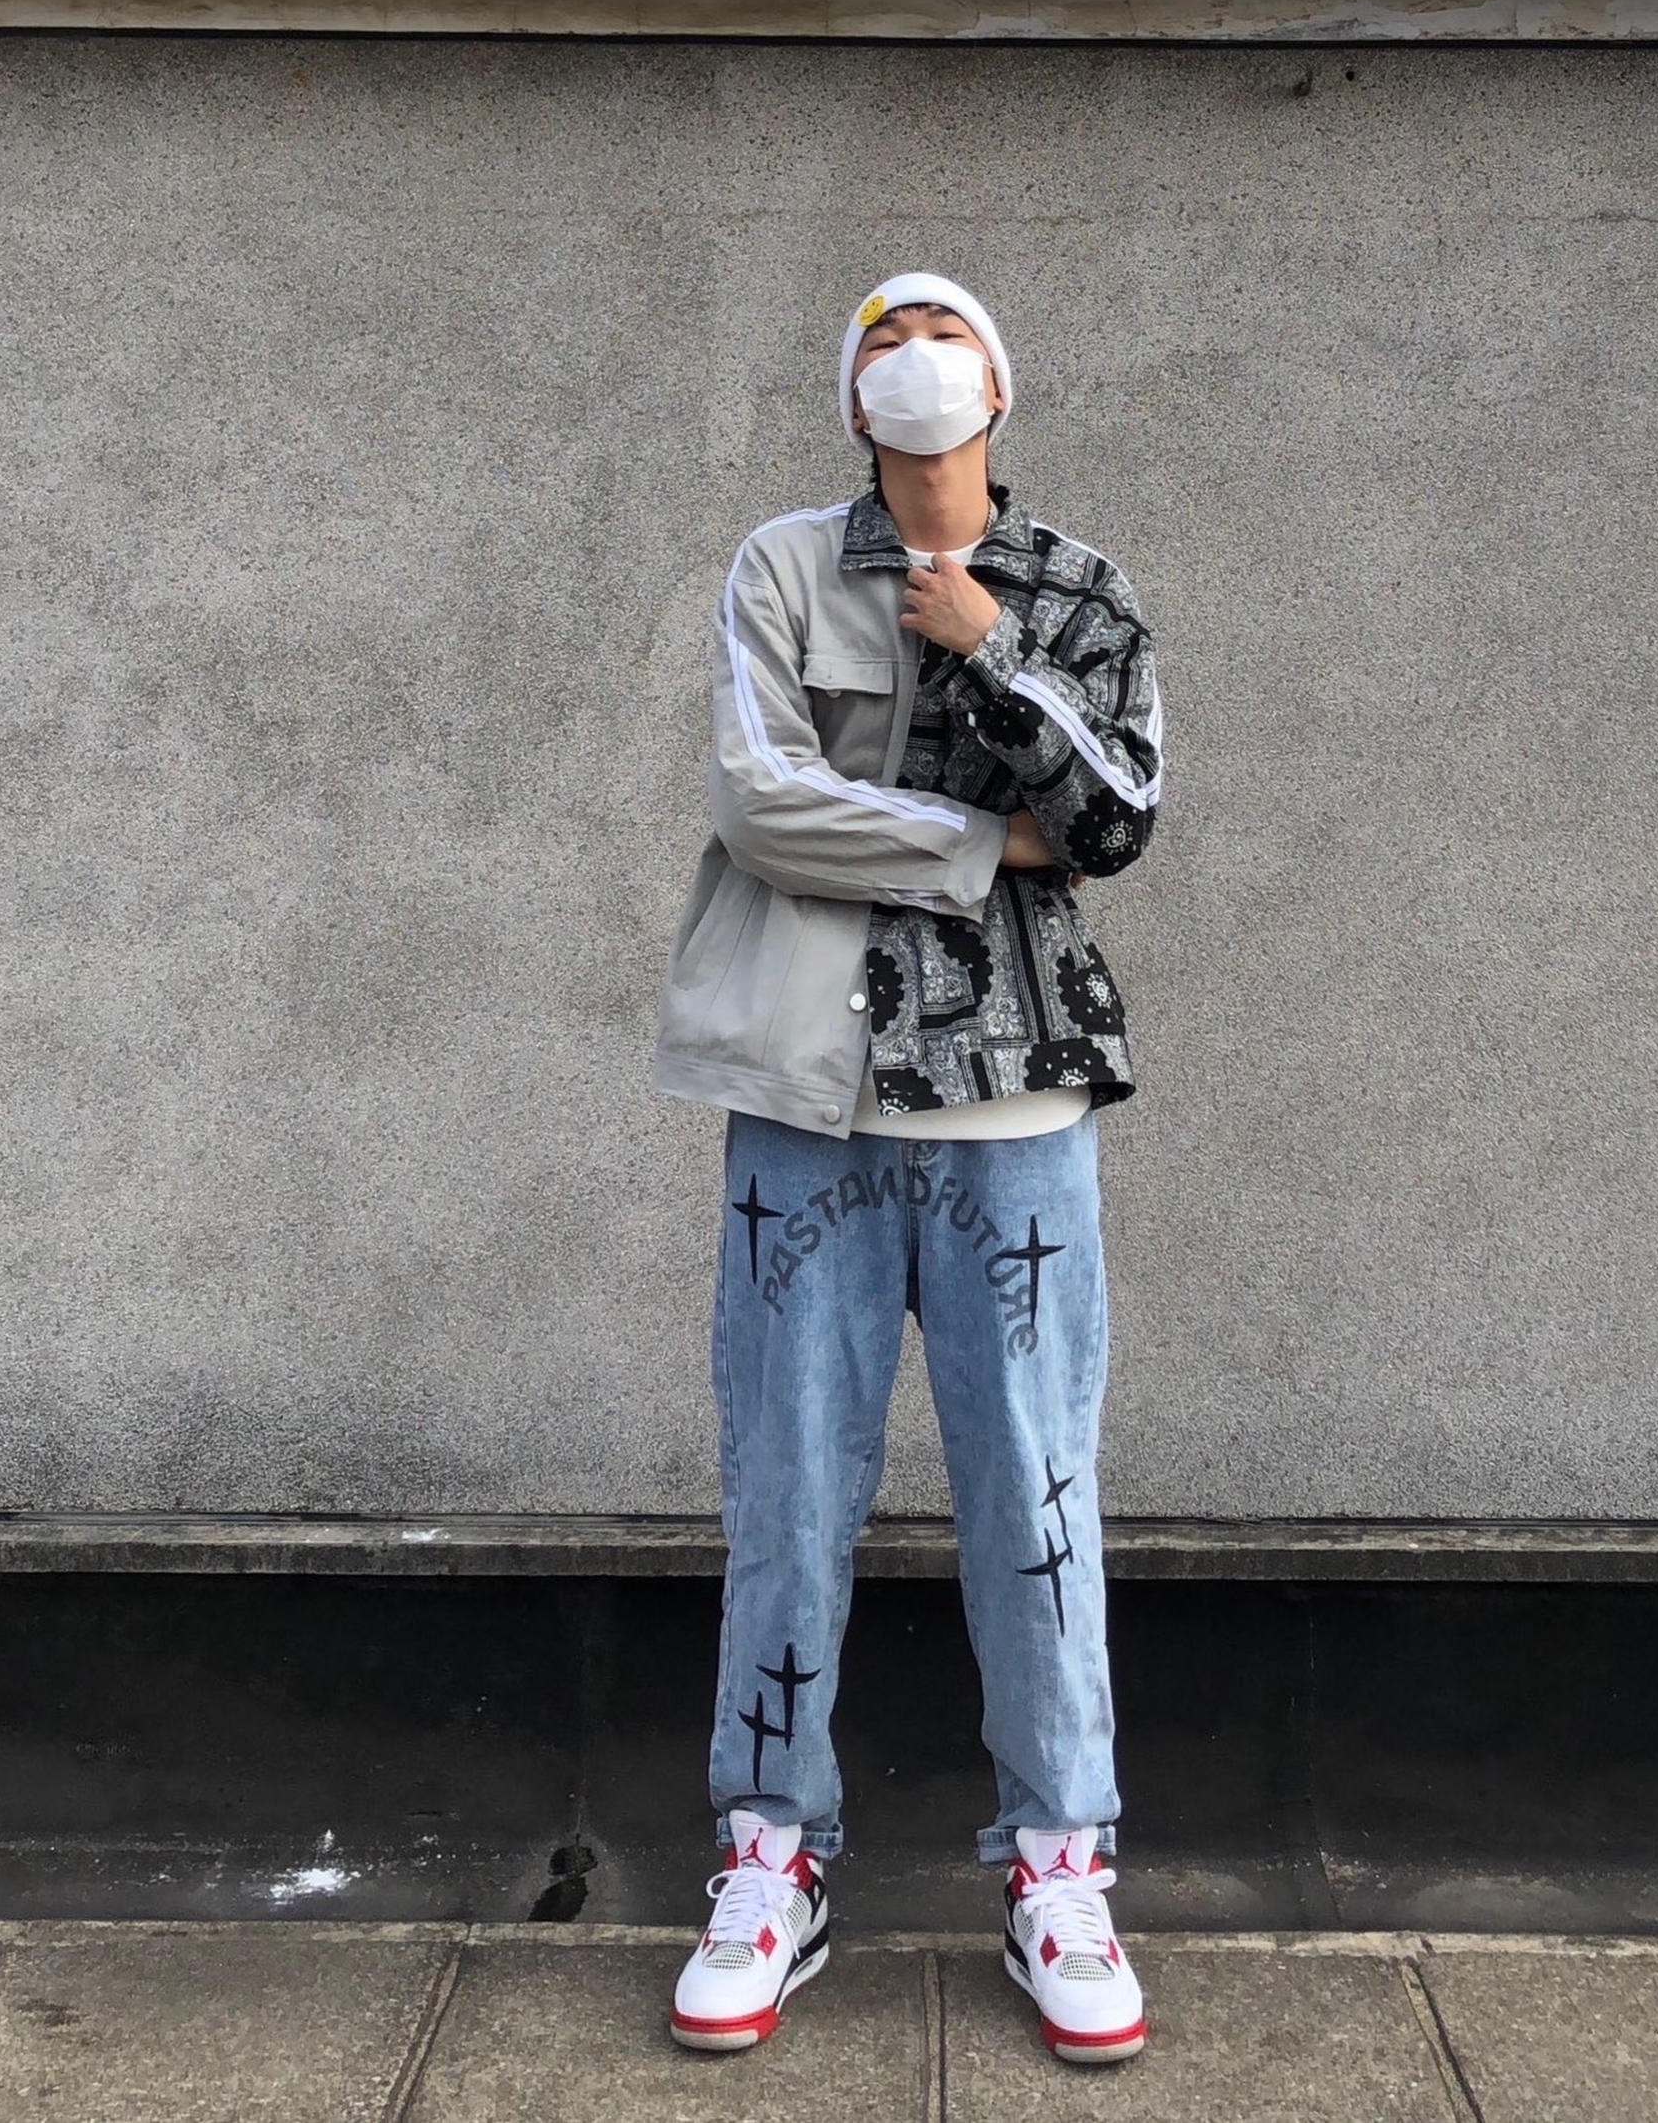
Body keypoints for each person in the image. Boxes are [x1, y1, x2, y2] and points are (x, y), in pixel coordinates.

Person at [652, 269, 1163, 2065]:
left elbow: (1115, 822)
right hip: (808, 1102)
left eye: (942, 337)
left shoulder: (1076, 588)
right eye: (879, 337)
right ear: (847, 395)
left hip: (1015, 1105)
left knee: (1035, 1493)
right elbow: (758, 801)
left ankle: (1060, 1864)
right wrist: (978, 842)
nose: (912, 359)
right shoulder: (782, 568)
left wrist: (987, 646)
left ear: (997, 389)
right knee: (785, 1482)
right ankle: (768, 1849)